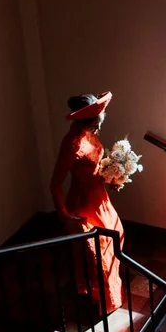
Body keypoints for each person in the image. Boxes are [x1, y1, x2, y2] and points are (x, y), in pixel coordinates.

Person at [50, 91, 124, 315]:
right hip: (83, 202)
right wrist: (64, 216)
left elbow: (94, 167)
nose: (99, 123)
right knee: (98, 251)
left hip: (99, 195)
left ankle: (104, 291)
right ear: (89, 120)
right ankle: (102, 297)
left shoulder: (89, 134)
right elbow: (55, 184)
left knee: (116, 235)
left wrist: (111, 178)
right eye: (97, 119)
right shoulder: (72, 144)